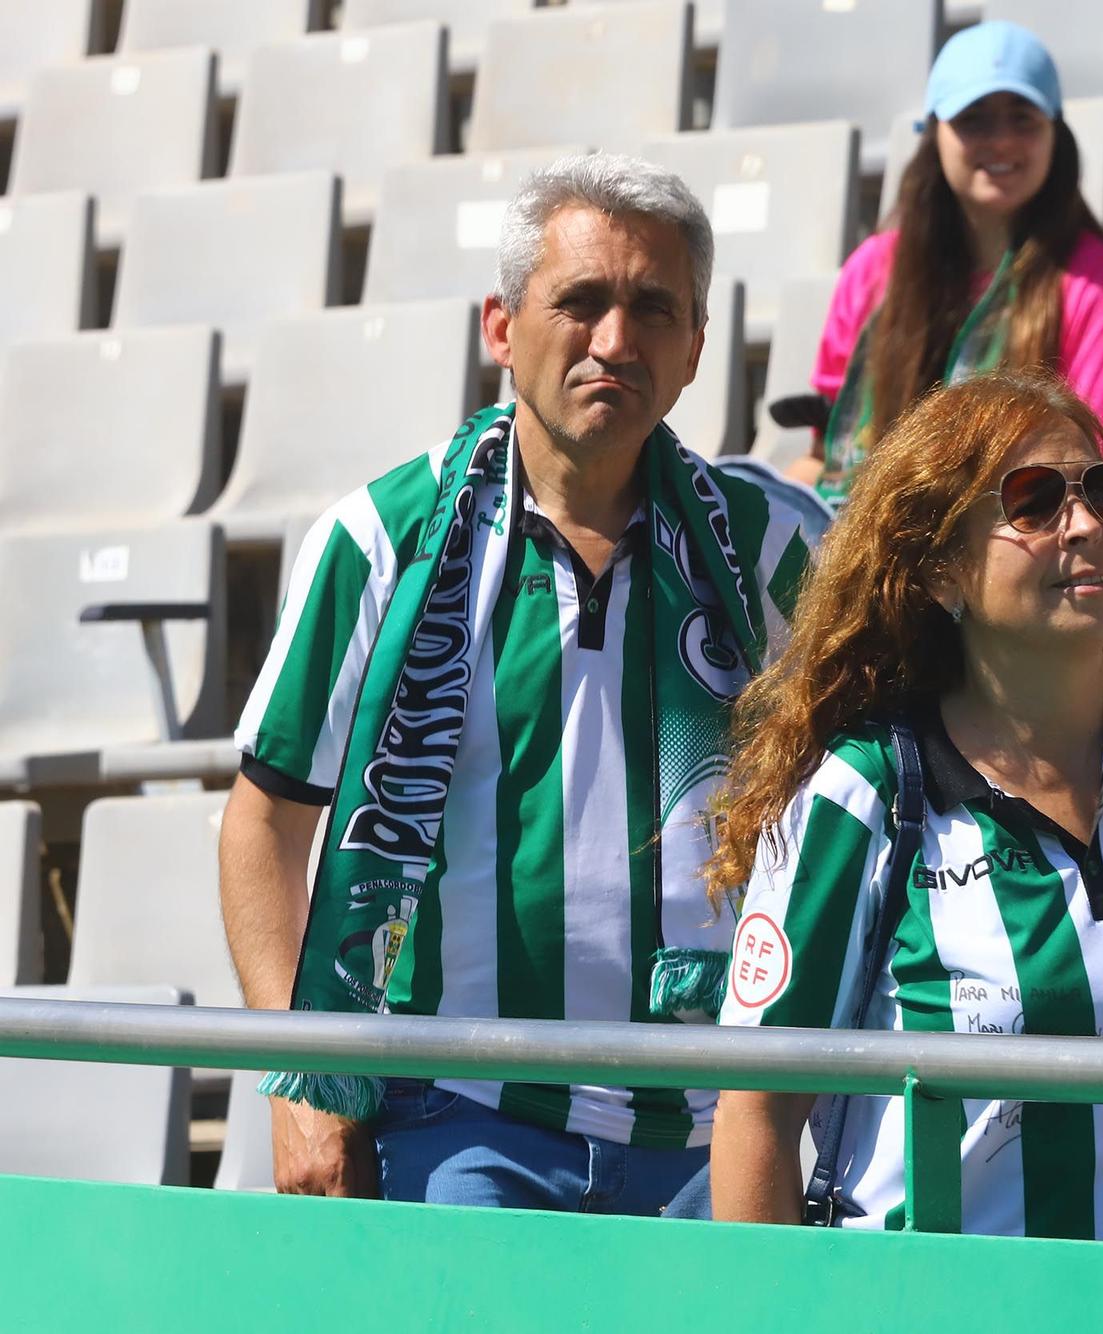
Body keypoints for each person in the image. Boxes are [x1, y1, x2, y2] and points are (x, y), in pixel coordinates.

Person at [218, 152, 814, 1213]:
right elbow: (264, 827)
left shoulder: (771, 550)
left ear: (693, 352)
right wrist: (300, 1080)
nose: (615, 342)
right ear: (500, 328)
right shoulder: (380, 541)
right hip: (460, 1121)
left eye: (652, 309)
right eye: (579, 302)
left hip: (710, 1136)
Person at [705, 369, 1103, 1249]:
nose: (1085, 525)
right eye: (1035, 502)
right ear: (941, 570)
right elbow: (757, 1114)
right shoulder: (864, 793)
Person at [788, 19, 1103, 503]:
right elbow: (828, 452)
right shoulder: (873, 270)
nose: (1000, 140)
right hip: (871, 534)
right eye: (973, 119)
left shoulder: (1098, 281)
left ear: (1055, 133)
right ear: (934, 133)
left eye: (1022, 117)